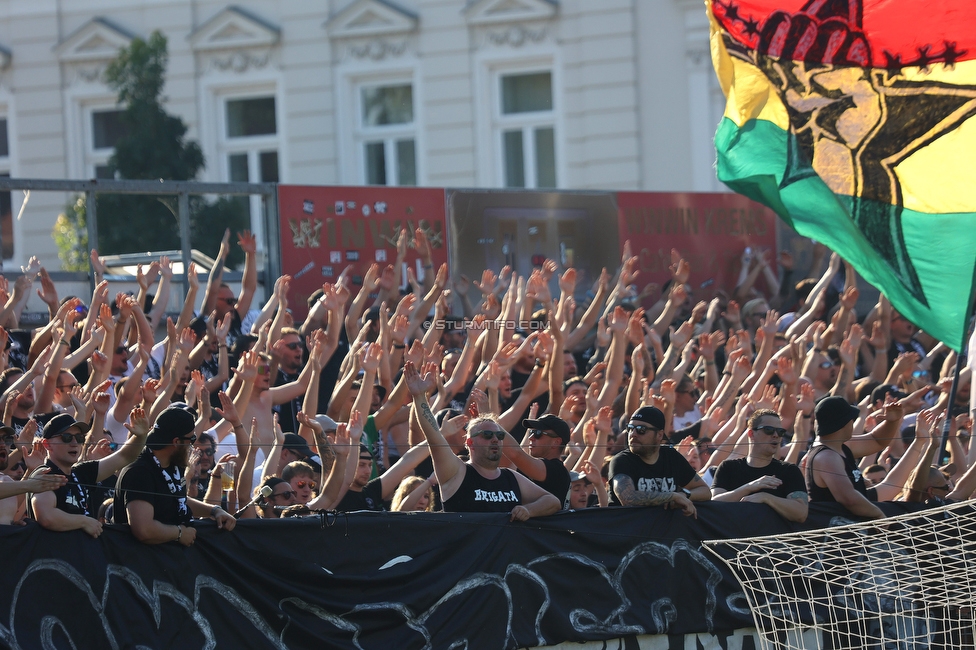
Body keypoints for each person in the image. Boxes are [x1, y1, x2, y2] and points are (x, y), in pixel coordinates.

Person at [406, 361, 561, 520]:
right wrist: (419, 398)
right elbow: (434, 436)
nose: (495, 439)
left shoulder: (511, 477)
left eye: (499, 436)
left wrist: (528, 510)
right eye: (487, 435)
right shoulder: (456, 472)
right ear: (469, 443)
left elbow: (552, 501)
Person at [115, 406, 236, 546]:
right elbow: (143, 529)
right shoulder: (140, 472)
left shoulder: (172, 463)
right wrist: (179, 533)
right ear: (177, 442)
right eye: (191, 440)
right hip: (143, 562)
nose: (192, 446)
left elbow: (178, 500)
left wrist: (214, 510)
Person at [29, 410, 151, 538]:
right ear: (47, 444)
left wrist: (141, 436)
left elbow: (124, 457)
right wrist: (83, 521)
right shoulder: (44, 473)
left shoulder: (81, 472)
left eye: (79, 437)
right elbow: (46, 516)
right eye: (66, 437)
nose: (74, 443)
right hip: (54, 556)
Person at [800, 396, 895, 520]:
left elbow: (877, 441)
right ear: (843, 424)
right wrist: (879, 515)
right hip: (837, 534)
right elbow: (848, 498)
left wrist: (893, 421)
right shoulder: (826, 457)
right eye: (851, 419)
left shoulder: (838, 445)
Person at [711, 409, 808, 522]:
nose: (776, 435)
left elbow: (801, 513)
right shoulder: (728, 467)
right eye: (769, 430)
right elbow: (714, 503)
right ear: (751, 434)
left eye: (780, 431)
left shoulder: (789, 470)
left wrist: (766, 498)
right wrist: (750, 486)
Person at [607, 406, 708, 515]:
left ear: (659, 435)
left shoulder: (671, 457)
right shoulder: (622, 461)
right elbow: (628, 498)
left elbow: (705, 491)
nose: (633, 434)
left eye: (641, 430)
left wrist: (684, 495)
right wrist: (672, 496)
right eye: (630, 428)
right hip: (626, 529)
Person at [501, 414, 571, 503]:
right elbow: (505, 460)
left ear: (556, 442)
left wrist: (489, 423)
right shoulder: (534, 469)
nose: (530, 438)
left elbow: (515, 454)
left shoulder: (557, 471)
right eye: (531, 432)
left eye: (538, 433)